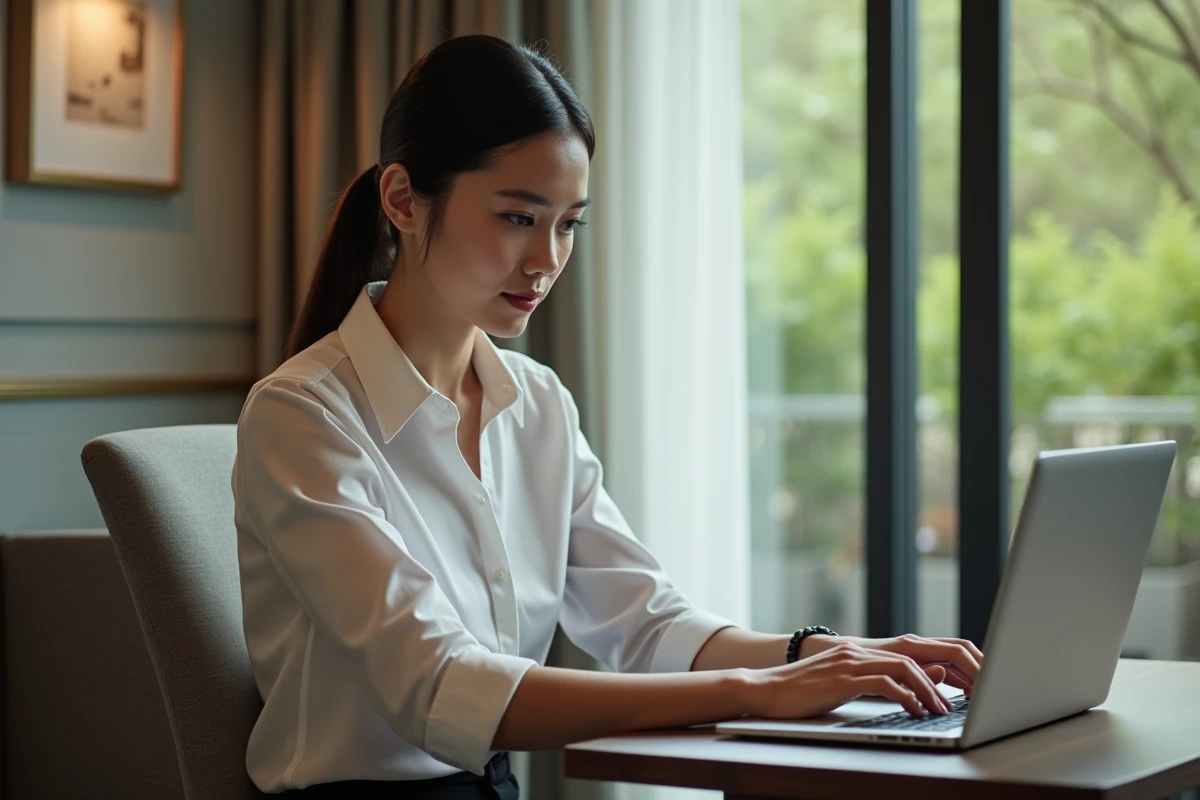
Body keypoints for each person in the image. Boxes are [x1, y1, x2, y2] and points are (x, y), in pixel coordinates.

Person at [232, 34, 983, 799]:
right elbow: (440, 687)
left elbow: (648, 624)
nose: (546, 260)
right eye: (518, 218)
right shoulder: (302, 417)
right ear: (402, 200)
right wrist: (755, 692)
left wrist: (835, 658)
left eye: (567, 225)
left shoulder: (537, 406)